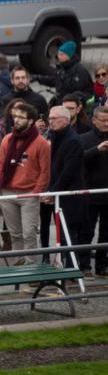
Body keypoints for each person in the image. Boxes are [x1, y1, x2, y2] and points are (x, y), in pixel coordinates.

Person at [0, 101, 50, 264]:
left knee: (29, 233)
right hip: (8, 192)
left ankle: (32, 266)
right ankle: (19, 263)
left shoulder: (41, 143)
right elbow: (0, 165)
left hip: (29, 193)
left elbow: (45, 172)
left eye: (20, 117)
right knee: (15, 234)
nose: (16, 120)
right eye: (14, 116)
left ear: (31, 120)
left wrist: (36, 192)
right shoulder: (7, 139)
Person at [44, 105, 89, 270]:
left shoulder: (73, 140)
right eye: (49, 118)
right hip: (61, 192)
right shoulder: (56, 136)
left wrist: (53, 192)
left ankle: (72, 268)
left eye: (54, 119)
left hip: (71, 195)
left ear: (65, 120)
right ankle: (69, 266)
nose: (50, 122)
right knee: (63, 235)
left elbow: (68, 172)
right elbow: (54, 168)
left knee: (70, 234)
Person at [81, 106, 108, 275]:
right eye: (103, 120)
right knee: (87, 232)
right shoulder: (84, 139)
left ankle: (102, 265)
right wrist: (96, 150)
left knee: (106, 233)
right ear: (94, 121)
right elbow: (78, 159)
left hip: (107, 194)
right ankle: (84, 265)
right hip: (89, 194)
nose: (106, 123)